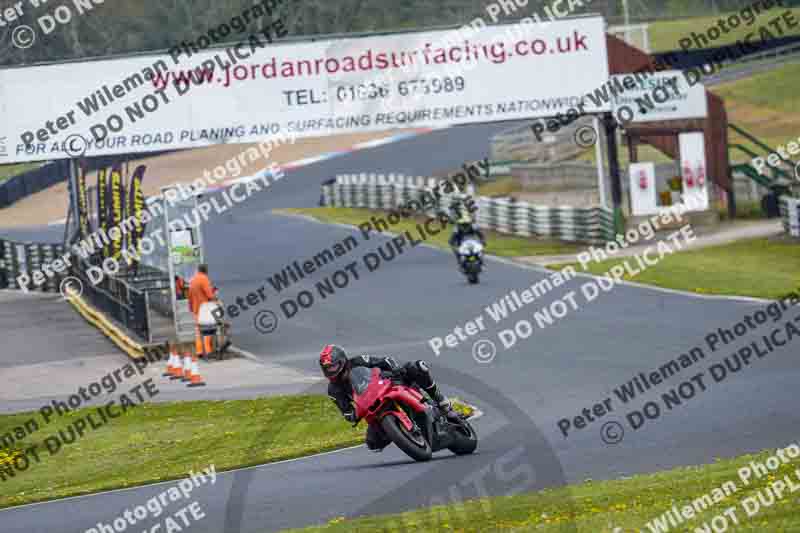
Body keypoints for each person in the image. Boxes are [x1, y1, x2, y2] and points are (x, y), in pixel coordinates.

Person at [319, 344, 460, 452]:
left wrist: (395, 369)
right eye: (327, 368)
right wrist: (353, 415)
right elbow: (346, 411)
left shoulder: (358, 361)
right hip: (372, 406)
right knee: (373, 444)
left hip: (390, 383)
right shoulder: (333, 390)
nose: (331, 370)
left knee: (417, 367)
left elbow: (385, 361)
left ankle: (443, 404)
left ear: (343, 361)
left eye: (333, 366)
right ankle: (403, 434)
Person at [188, 264, 217, 357]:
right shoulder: (204, 279)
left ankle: (199, 351)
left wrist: (191, 308)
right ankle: (208, 351)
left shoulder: (193, 280)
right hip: (204, 310)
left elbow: (189, 296)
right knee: (207, 330)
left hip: (196, 310)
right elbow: (209, 295)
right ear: (206, 270)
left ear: (198, 270)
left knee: (198, 332)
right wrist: (215, 298)